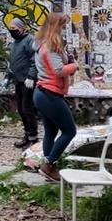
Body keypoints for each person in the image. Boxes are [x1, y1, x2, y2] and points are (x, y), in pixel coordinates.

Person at [33, 13, 79, 182]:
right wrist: (74, 66)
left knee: (50, 132)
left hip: (43, 92)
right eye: (62, 25)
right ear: (55, 26)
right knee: (69, 130)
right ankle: (49, 164)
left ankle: (48, 170)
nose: (64, 29)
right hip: (49, 94)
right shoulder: (50, 46)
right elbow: (58, 70)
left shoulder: (40, 44)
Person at [8, 18, 39, 149]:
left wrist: (31, 76)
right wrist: (9, 76)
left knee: (27, 109)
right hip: (18, 80)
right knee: (21, 109)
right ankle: (26, 135)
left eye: (15, 29)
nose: (12, 32)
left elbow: (34, 59)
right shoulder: (15, 42)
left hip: (27, 81)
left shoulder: (29, 40)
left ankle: (33, 137)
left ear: (22, 29)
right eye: (11, 30)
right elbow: (14, 61)